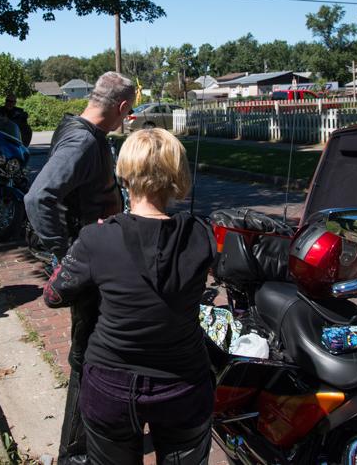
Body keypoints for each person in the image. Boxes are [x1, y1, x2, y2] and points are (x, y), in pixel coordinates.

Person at [42, 128, 216, 465]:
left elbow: (54, 295)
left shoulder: (96, 238)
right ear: (177, 175)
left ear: (124, 174)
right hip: (184, 386)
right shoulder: (200, 234)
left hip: (110, 385)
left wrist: (85, 248)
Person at [24, 71, 134, 465]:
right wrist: (67, 254)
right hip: (88, 265)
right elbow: (38, 198)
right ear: (122, 106)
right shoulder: (82, 141)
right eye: (129, 112)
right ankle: (75, 452)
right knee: (87, 355)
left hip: (94, 258)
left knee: (92, 351)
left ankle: (90, 440)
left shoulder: (83, 130)